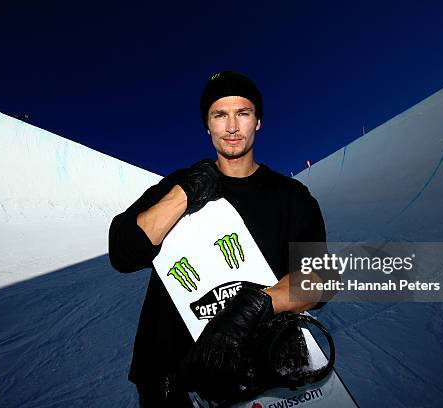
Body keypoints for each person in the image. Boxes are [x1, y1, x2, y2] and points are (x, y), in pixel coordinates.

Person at [109, 71, 327, 406]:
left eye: (243, 113)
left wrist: (258, 306)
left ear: (258, 122)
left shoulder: (292, 197)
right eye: (219, 115)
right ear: (207, 126)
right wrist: (185, 193)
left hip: (258, 373)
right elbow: (123, 252)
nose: (231, 127)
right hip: (169, 380)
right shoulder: (180, 183)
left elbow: (318, 280)